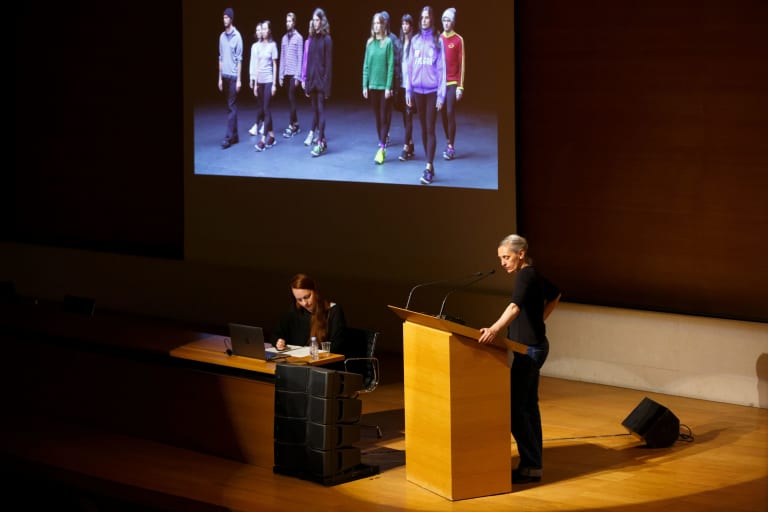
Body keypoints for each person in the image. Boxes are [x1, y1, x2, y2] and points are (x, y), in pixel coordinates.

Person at [478, 234, 561, 484]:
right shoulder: (533, 275)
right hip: (534, 347)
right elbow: (556, 293)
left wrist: (493, 330)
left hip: (530, 351)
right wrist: (538, 321)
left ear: (521, 253)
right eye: (500, 258)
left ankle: (531, 465)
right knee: (527, 408)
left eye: (506, 257)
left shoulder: (526, 275)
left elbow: (514, 308)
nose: (503, 262)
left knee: (515, 409)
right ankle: (533, 465)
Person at [404, 6, 446, 185]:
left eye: (427, 17)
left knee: (430, 128)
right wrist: (408, 90)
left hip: (432, 92)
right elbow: (410, 66)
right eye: (422, 17)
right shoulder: (415, 40)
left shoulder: (437, 41)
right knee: (422, 129)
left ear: (432, 20)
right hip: (417, 92)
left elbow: (442, 69)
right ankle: (430, 164)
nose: (423, 20)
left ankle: (429, 166)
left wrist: (441, 96)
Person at [272, 273, 347, 354]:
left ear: (315, 291)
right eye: (299, 300)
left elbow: (337, 346)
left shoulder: (333, 311)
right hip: (299, 362)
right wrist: (279, 342)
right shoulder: (294, 312)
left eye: (307, 297)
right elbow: (276, 334)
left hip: (324, 362)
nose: (304, 303)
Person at [362, 12, 394, 165]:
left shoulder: (388, 43)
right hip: (373, 86)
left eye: (378, 23)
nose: (376, 26)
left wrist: (388, 87)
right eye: (374, 23)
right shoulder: (369, 43)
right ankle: (382, 142)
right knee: (377, 118)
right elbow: (366, 66)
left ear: (383, 25)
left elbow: (391, 67)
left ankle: (382, 148)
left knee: (383, 117)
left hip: (384, 88)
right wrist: (365, 85)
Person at [303, 8, 332, 157]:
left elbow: (328, 64)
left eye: (317, 20)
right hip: (312, 81)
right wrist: (307, 82)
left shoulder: (327, 39)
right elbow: (308, 63)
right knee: (315, 112)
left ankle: (320, 143)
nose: (315, 23)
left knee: (321, 112)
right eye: (313, 20)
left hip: (321, 82)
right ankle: (323, 140)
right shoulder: (312, 38)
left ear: (322, 21)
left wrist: (326, 86)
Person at [440, 8, 465, 161]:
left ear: (453, 22)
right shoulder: (439, 38)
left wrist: (460, 87)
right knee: (443, 115)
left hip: (453, 83)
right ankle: (448, 140)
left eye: (448, 20)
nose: (446, 23)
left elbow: (462, 64)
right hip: (440, 85)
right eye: (444, 20)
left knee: (450, 113)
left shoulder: (458, 40)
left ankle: (451, 147)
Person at [250, 20, 279, 151]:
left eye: (265, 29)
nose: (263, 31)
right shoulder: (258, 46)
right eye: (262, 29)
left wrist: (274, 84)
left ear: (269, 31)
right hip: (260, 82)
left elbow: (274, 65)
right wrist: (255, 84)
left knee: (266, 109)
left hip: (268, 81)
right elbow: (256, 65)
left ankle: (263, 140)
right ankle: (272, 136)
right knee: (263, 110)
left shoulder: (273, 45)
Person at [218, 8, 243, 149]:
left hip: (233, 76)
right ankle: (235, 135)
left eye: (227, 17)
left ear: (231, 19)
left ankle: (228, 138)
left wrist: (239, 79)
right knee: (230, 107)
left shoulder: (237, 36)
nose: (224, 19)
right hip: (225, 76)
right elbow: (220, 58)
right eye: (223, 17)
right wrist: (219, 78)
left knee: (232, 106)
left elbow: (239, 60)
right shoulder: (221, 37)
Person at [279, 12, 304, 139]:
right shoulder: (284, 38)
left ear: (294, 22)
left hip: (294, 73)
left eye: (290, 21)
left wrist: (298, 76)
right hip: (287, 73)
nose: (288, 23)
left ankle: (291, 126)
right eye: (286, 21)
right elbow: (282, 58)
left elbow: (300, 57)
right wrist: (280, 75)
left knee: (291, 98)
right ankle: (296, 124)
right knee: (290, 100)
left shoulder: (299, 38)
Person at [380, 11, 403, 149]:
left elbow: (397, 62)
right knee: (380, 111)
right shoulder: (377, 38)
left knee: (387, 110)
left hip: (391, 81)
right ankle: (383, 133)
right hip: (379, 82)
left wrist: (396, 84)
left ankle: (385, 135)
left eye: (385, 21)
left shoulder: (393, 39)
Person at [397, 13, 416, 161]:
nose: (404, 26)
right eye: (403, 24)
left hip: (411, 86)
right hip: (401, 85)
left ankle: (405, 147)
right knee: (405, 116)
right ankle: (410, 144)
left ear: (411, 25)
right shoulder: (400, 42)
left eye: (407, 23)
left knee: (409, 116)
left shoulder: (415, 42)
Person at [248, 23, 265, 137]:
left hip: (264, 77)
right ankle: (264, 123)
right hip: (256, 78)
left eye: (260, 30)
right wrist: (251, 78)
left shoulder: (266, 45)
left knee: (262, 103)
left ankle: (256, 125)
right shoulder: (254, 46)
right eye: (257, 30)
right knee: (260, 103)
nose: (258, 32)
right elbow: (252, 63)